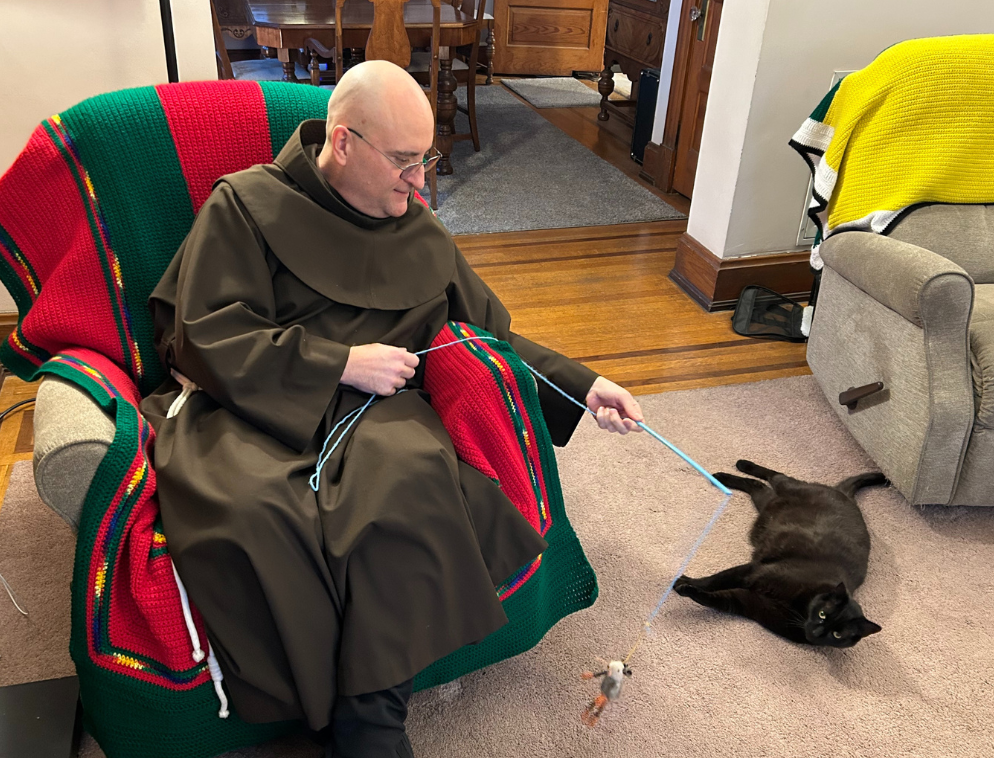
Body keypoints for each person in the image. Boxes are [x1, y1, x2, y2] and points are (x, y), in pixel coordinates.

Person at [139, 60, 644, 757]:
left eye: (426, 159)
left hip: (380, 417)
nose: (420, 181)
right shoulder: (246, 204)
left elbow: (486, 338)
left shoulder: (419, 229)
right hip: (250, 407)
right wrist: (338, 362)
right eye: (405, 161)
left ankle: (369, 722)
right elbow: (202, 334)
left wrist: (583, 386)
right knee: (250, 518)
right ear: (343, 143)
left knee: (412, 479)